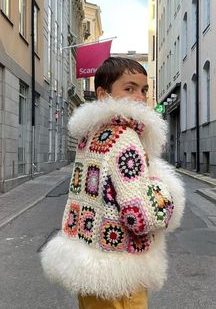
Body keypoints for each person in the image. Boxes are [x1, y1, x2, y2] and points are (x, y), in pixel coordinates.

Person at [40, 57, 185, 309]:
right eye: (129, 89)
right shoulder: (125, 136)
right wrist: (166, 192)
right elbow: (138, 217)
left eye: (143, 90)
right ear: (103, 94)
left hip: (88, 265)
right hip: (120, 271)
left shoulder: (90, 136)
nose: (140, 97)